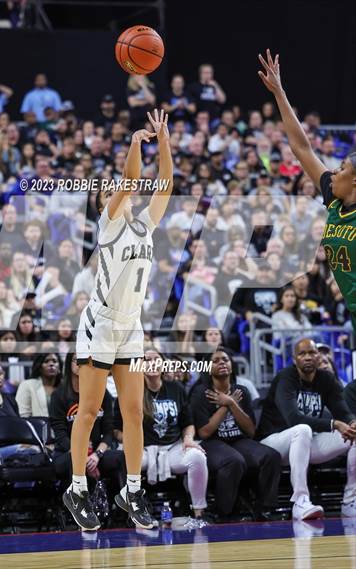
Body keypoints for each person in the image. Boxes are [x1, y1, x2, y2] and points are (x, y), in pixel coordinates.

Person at [63, 109, 174, 531]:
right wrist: (133, 143)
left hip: (132, 325)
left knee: (133, 412)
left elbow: (164, 183)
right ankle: (76, 487)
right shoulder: (108, 224)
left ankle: (132, 489)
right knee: (89, 411)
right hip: (101, 323)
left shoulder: (146, 225)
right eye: (110, 187)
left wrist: (162, 139)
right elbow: (131, 181)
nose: (118, 187)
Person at [258, 49, 356, 336]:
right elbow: (302, 148)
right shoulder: (334, 198)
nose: (333, 172)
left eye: (342, 169)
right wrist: (279, 93)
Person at [258, 338, 356, 519]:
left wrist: (351, 422)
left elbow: (342, 411)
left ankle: (350, 501)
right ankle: (301, 501)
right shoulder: (286, 377)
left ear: (319, 357)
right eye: (302, 354)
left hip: (305, 445)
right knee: (302, 429)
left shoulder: (326, 379)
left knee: (354, 434)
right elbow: (293, 418)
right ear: (295, 359)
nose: (308, 357)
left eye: (312, 353)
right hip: (273, 444)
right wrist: (333, 424)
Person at [114, 349, 209, 523]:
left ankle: (199, 512)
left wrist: (188, 439)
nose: (152, 363)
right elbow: (116, 429)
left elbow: (187, 423)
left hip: (172, 448)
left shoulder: (176, 389)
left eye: (156, 359)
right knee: (124, 459)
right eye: (147, 360)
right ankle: (134, 513)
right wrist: (128, 441)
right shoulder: (129, 391)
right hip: (141, 449)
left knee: (197, 457)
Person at [189, 347, 281, 520]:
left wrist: (232, 403)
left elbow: (250, 430)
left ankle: (264, 509)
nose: (222, 363)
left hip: (238, 440)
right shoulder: (201, 393)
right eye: (215, 361)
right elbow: (204, 432)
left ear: (232, 365)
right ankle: (224, 512)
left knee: (271, 456)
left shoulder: (241, 391)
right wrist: (225, 405)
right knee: (233, 461)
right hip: (211, 442)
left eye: (225, 359)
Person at [49, 352, 125, 491]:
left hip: (96, 455)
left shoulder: (103, 393)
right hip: (68, 453)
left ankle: (123, 508)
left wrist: (97, 455)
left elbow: (108, 432)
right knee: (75, 462)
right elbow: (61, 436)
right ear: (69, 364)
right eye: (77, 360)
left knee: (120, 457)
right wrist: (82, 457)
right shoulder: (58, 396)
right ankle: (76, 509)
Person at [15, 353, 62, 417]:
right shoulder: (27, 385)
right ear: (39, 367)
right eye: (46, 361)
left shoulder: (64, 387)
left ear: (59, 367)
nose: (51, 364)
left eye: (54, 361)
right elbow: (22, 415)